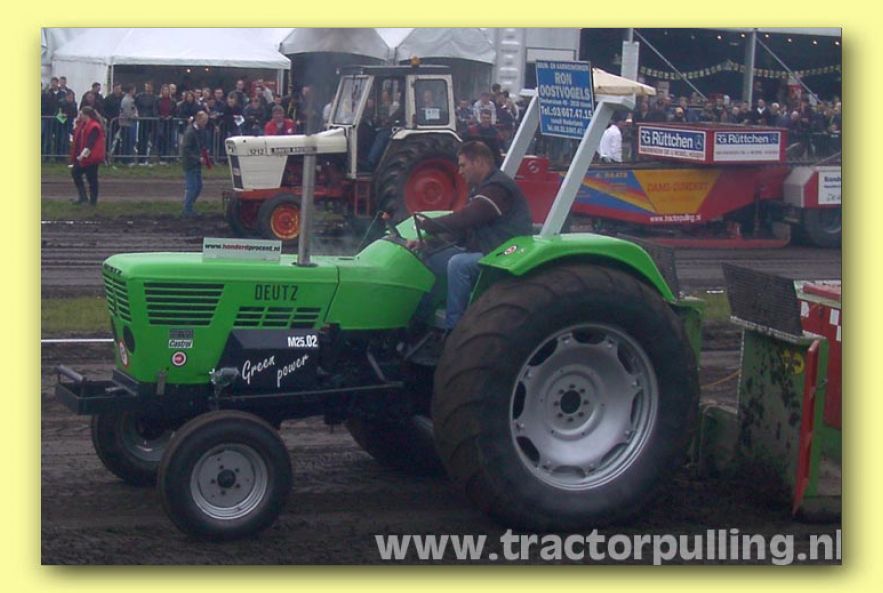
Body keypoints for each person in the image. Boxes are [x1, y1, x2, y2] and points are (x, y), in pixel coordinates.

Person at [409, 140, 532, 338]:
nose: (460, 171)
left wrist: (428, 224)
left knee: (458, 264)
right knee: (431, 257)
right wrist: (428, 243)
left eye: (463, 165)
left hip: (505, 253)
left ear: (480, 162)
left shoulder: (498, 187)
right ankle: (422, 319)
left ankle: (454, 330)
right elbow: (464, 230)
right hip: (489, 249)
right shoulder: (482, 189)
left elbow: (468, 217)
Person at [69, 107, 106, 206]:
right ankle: (83, 197)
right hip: (85, 157)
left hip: (92, 157)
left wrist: (83, 155)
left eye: (81, 114)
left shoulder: (94, 126)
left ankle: (92, 201)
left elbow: (91, 143)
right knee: (76, 173)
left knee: (91, 178)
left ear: (86, 115)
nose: (80, 116)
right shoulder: (83, 125)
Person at [180, 110, 210, 217]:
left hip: (196, 163)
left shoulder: (198, 130)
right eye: (204, 121)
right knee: (193, 187)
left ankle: (189, 207)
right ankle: (187, 209)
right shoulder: (190, 132)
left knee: (198, 186)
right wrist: (198, 158)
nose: (205, 123)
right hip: (190, 164)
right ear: (198, 119)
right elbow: (186, 149)